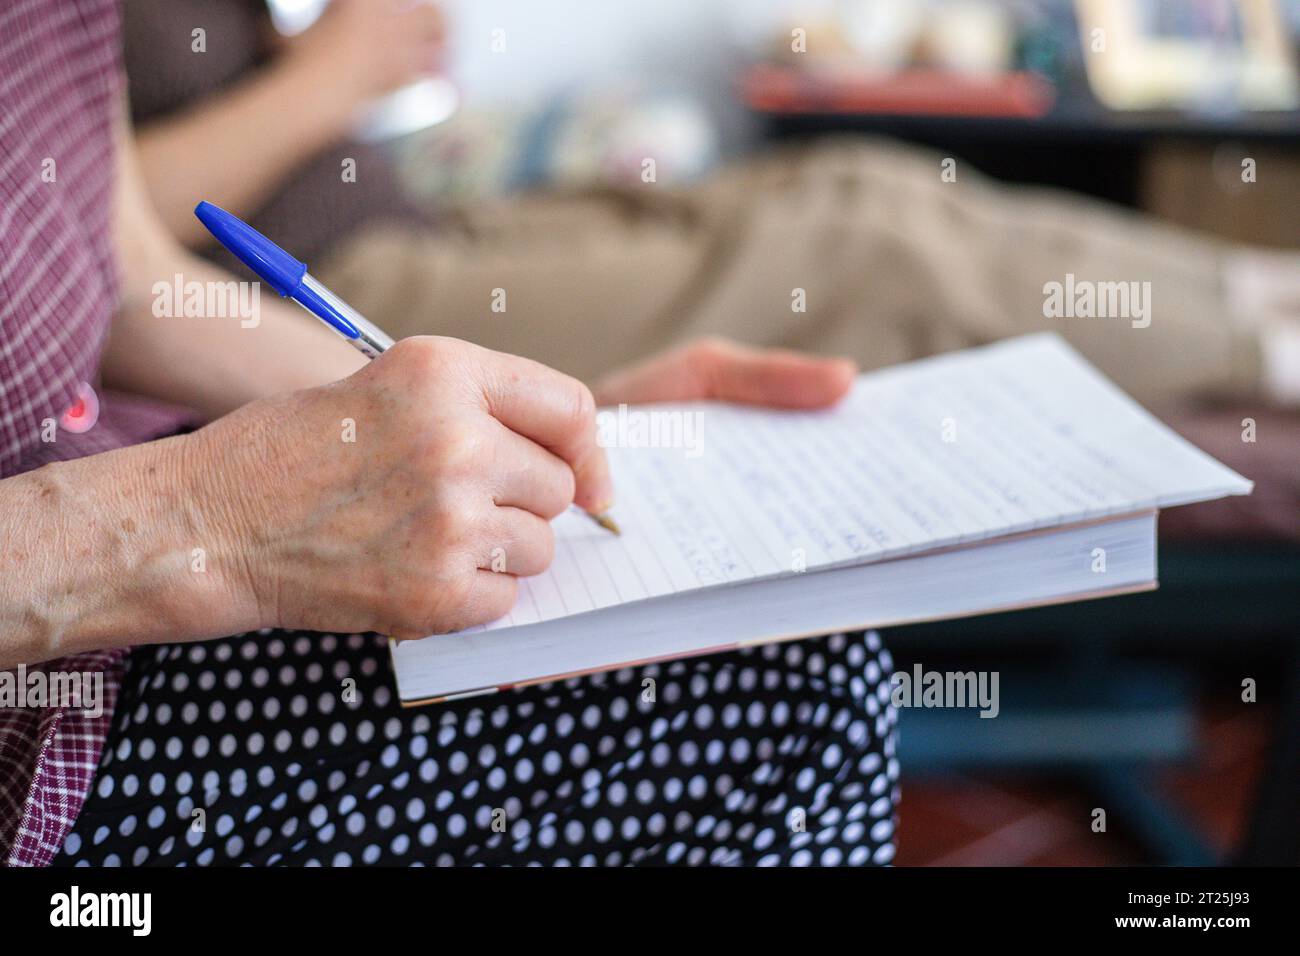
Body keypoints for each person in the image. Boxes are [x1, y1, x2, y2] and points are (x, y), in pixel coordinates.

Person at [1, 0, 895, 867]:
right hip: (47, 721)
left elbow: (123, 279)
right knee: (801, 696)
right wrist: (212, 522)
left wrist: (486, 427)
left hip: (125, 493)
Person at [123, 0, 1300, 407]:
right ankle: (1261, 351)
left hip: (409, 224)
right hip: (328, 293)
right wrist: (329, 76)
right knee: (869, 248)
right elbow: (99, 241)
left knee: (856, 175)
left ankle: (1246, 282)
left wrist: (320, 61)